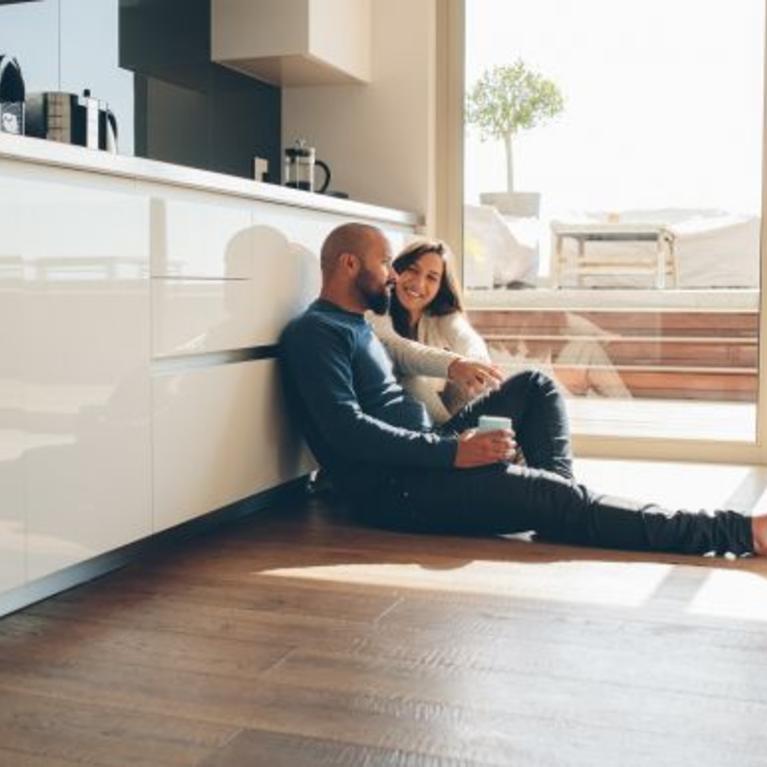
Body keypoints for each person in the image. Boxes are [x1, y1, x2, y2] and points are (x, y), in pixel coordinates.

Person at [280, 222, 767, 557]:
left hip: (429, 451)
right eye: (385, 262)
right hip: (400, 489)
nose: (392, 273)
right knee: (558, 502)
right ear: (348, 265)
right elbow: (347, 433)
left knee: (536, 385)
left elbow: (433, 355)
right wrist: (453, 456)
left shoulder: (359, 324)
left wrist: (452, 442)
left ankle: (556, 502)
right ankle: (736, 531)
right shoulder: (315, 333)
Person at [369, 238, 492, 424]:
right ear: (397, 269)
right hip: (392, 414)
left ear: (440, 287)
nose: (419, 283)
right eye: (412, 269)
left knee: (534, 383)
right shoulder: (377, 308)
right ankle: (453, 439)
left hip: (436, 412)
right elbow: (398, 349)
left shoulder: (441, 316)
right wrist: (455, 365)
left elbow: (467, 338)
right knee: (411, 378)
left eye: (431, 277)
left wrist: (476, 365)